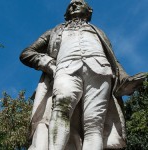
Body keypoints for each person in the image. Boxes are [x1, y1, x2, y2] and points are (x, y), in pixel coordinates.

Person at [20, 0, 146, 149]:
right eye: (70, 5)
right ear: (66, 14)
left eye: (78, 3)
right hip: (65, 69)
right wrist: (50, 64)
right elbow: (27, 53)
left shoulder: (98, 31)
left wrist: (124, 77)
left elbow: (112, 58)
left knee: (94, 124)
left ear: (89, 11)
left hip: (100, 70)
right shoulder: (55, 30)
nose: (73, 5)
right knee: (61, 109)